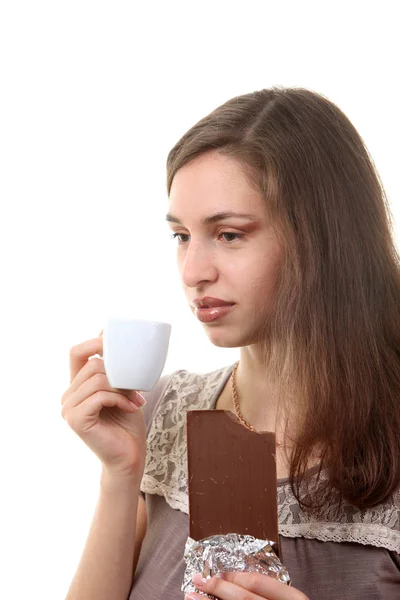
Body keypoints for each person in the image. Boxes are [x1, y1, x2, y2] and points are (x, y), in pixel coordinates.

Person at [62, 87, 400, 600]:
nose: (194, 272)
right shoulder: (162, 413)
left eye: (230, 234)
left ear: (321, 239)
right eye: (182, 236)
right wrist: (120, 474)